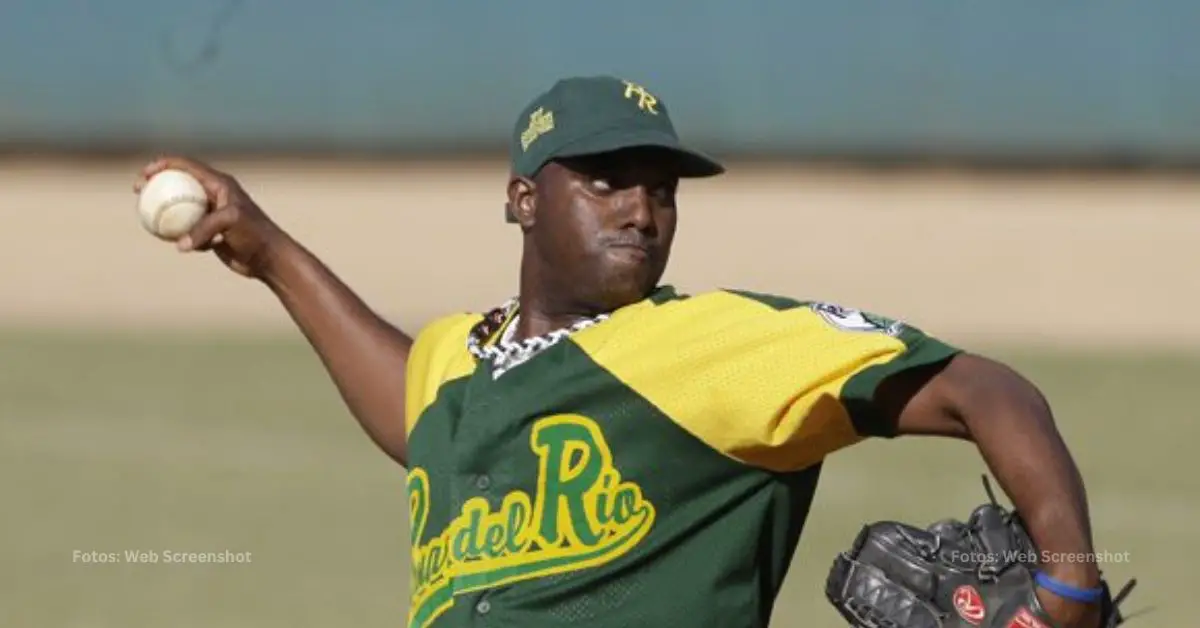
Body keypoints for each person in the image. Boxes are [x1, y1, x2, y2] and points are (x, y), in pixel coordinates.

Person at [134, 75, 1107, 628]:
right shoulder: (461, 361)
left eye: (662, 188)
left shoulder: (717, 344)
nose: (642, 210)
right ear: (523, 199)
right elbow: (407, 405)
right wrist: (264, 250)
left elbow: (984, 389)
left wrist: (1067, 580)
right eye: (606, 181)